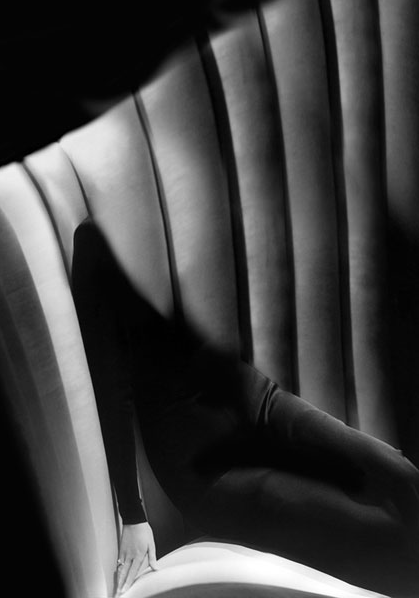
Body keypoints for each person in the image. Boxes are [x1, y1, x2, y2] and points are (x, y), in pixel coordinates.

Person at [72, 218, 419, 598]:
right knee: (373, 528)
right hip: (205, 467)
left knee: (399, 471)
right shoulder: (98, 238)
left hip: (259, 403)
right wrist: (133, 515)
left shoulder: (173, 207)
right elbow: (111, 392)